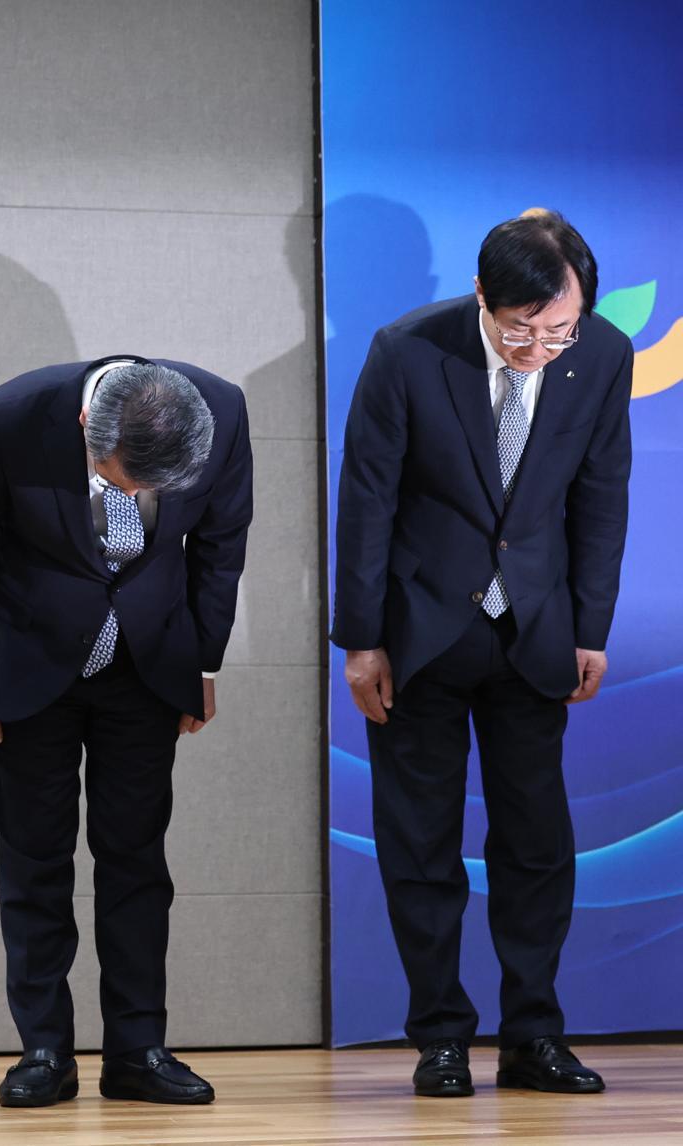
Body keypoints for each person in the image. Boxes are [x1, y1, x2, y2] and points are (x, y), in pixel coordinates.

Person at [333, 210, 632, 1097]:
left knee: (536, 843)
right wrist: (361, 641)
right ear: (480, 295)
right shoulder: (406, 350)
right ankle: (440, 1037)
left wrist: (591, 628)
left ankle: (534, 1034)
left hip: (535, 633)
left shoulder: (603, 354)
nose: (541, 344)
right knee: (421, 843)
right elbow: (366, 501)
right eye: (521, 328)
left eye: (558, 327)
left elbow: (602, 495)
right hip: (419, 633)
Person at [0, 356, 253, 1107]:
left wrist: (204, 660)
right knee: (35, 859)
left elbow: (222, 545)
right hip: (31, 662)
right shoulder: (8, 416)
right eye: (121, 481)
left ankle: (138, 1050)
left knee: (138, 861)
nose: (136, 499)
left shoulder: (224, 410)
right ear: (87, 428)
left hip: (148, 666)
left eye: (153, 489)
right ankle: (45, 1051)